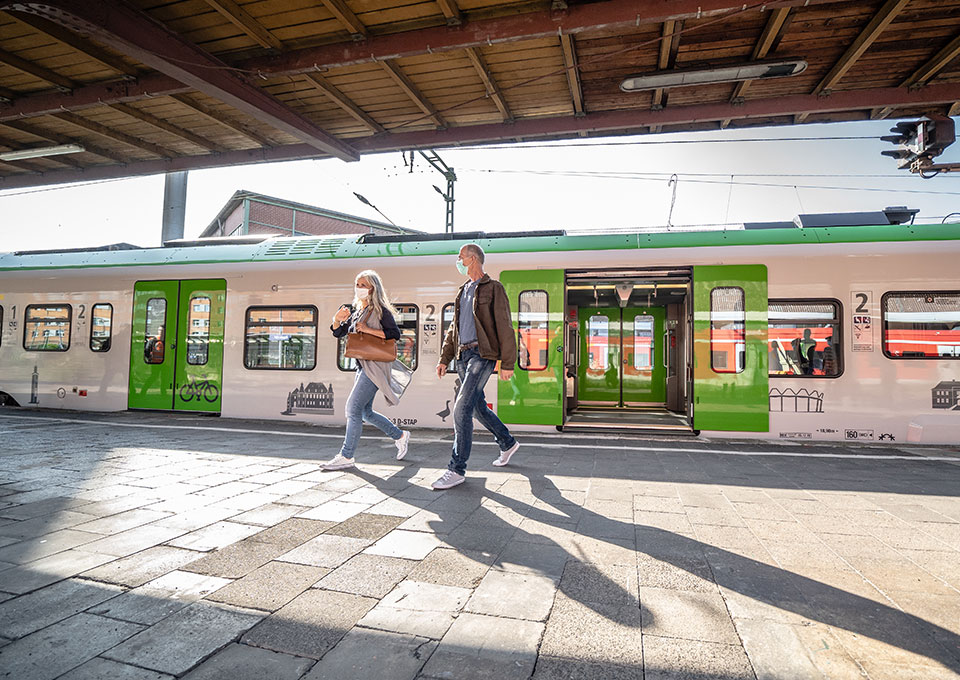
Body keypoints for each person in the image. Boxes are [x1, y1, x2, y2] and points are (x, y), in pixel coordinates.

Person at [433, 244, 519, 490]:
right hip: (463, 356)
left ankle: (456, 469)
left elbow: (504, 325)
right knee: (476, 407)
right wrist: (444, 358)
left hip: (483, 354)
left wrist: (508, 362)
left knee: (461, 409)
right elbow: (454, 329)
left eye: (460, 257)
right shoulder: (462, 292)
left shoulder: (494, 288)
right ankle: (507, 442)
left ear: (472, 259)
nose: (457, 261)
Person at [323, 270, 411, 471]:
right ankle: (400, 435)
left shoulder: (380, 311)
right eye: (357, 284)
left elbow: (394, 335)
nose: (359, 288)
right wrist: (337, 319)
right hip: (362, 366)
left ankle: (346, 456)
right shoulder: (357, 311)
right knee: (365, 412)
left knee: (352, 409)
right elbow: (339, 333)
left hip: (375, 367)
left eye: (363, 285)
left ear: (373, 288)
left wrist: (368, 329)